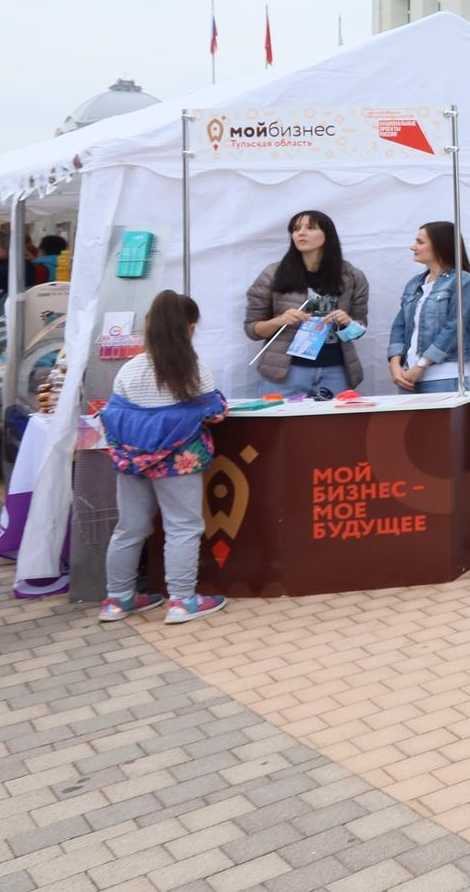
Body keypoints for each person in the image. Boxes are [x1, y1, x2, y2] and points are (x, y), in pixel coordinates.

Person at [98, 292, 231, 625]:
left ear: (150, 326)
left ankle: (118, 600)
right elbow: (212, 412)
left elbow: (115, 416)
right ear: (189, 328)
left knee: (129, 529)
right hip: (178, 461)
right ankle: (182, 600)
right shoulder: (194, 370)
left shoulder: (129, 370)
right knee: (182, 527)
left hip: (132, 461)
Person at [245, 211, 370, 395]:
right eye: (296, 229)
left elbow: (360, 329)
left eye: (310, 228)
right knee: (281, 424)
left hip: (336, 371)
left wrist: (347, 322)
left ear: (328, 235)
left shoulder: (352, 276)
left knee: (336, 424)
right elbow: (252, 329)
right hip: (285, 374)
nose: (300, 233)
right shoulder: (273, 274)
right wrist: (279, 320)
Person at [386, 222, 470, 394]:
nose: (413, 247)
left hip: (444, 376)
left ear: (440, 245)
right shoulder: (415, 283)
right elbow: (399, 326)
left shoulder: (462, 280)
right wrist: (395, 364)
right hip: (408, 375)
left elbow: (455, 328)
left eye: (420, 242)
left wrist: (421, 365)